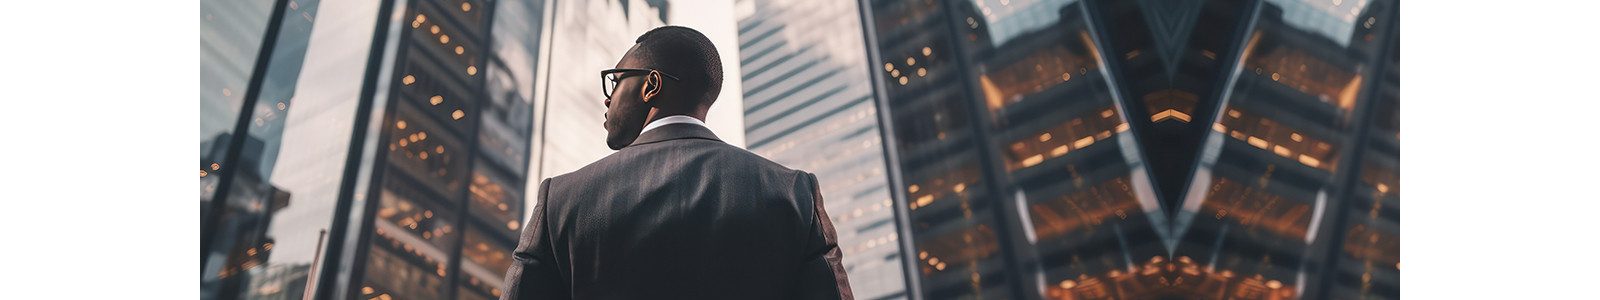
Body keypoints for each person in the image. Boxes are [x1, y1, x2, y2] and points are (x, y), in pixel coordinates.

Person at [499, 26, 853, 300]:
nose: (607, 98)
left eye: (616, 80)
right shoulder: (793, 193)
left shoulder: (562, 199)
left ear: (651, 86)